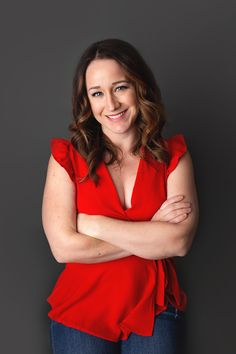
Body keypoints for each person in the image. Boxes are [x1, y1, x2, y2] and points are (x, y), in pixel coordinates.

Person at [42, 38, 199, 354]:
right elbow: (63, 248)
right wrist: (151, 228)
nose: (111, 105)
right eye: (97, 93)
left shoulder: (174, 156)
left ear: (140, 87)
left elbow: (177, 243)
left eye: (120, 87)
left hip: (154, 306)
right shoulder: (66, 158)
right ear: (87, 101)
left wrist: (94, 225)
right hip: (81, 308)